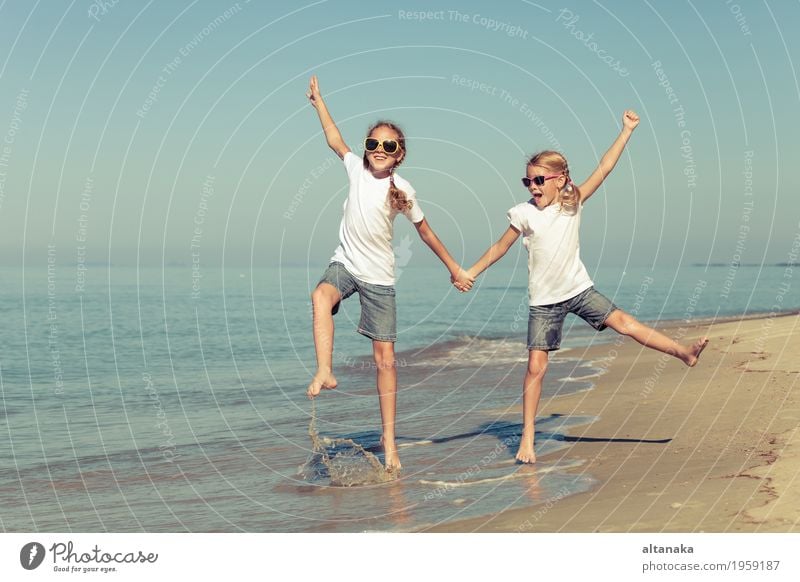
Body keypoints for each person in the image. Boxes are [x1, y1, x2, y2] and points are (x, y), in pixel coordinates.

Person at [460, 110, 708, 464]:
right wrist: (471, 271)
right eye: (527, 181)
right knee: (535, 368)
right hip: (545, 302)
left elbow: (604, 168)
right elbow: (500, 247)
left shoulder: (573, 203)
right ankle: (527, 440)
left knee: (625, 323)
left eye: (539, 180)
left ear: (560, 180)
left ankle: (683, 353)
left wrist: (626, 131)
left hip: (578, 289)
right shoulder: (523, 213)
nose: (533, 187)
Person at [305, 75, 473, 470]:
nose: (379, 150)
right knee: (319, 296)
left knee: (385, 361)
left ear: (399, 155)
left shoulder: (403, 190)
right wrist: (319, 102)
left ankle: (390, 441)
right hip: (345, 264)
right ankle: (325, 370)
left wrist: (454, 268)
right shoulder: (355, 170)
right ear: (366, 149)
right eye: (373, 144)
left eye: (388, 146)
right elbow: (334, 139)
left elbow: (426, 232)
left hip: (379, 277)